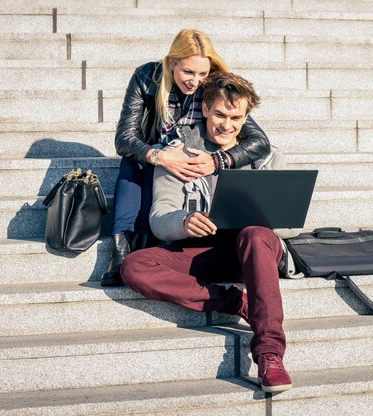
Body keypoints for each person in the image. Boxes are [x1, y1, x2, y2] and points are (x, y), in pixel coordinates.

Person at [121, 72, 292, 393]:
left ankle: (269, 352)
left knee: (255, 233)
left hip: (255, 248)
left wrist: (258, 217)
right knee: (134, 266)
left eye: (236, 117)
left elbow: (282, 223)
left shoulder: (265, 155)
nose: (227, 124)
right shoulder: (177, 155)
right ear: (206, 110)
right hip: (204, 250)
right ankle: (233, 301)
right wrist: (183, 221)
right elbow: (159, 218)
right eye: (220, 115)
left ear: (246, 117)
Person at [101, 29, 271, 287]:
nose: (196, 81)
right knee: (133, 166)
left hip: (192, 159)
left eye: (203, 73)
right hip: (155, 157)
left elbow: (260, 142)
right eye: (188, 72)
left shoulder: (213, 86)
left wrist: (217, 161)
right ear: (172, 63)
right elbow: (124, 140)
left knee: (158, 175)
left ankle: (146, 247)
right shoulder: (147, 77)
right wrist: (160, 157)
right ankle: (121, 250)